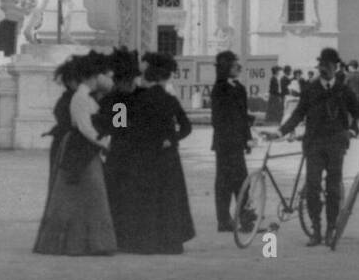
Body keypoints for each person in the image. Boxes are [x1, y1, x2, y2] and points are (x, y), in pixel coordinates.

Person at [34, 51, 117, 256]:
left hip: (85, 146)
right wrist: (106, 141)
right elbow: (85, 127)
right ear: (92, 75)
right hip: (81, 148)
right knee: (85, 194)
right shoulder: (80, 97)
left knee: (87, 195)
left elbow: (112, 119)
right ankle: (83, 243)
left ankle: (87, 242)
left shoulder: (90, 96)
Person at [277, 47, 359, 246]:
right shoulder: (311, 89)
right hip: (314, 145)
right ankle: (316, 230)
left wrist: (352, 131)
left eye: (329, 66)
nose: (324, 69)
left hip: (335, 146)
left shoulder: (343, 90)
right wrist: (281, 131)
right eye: (322, 65)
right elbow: (298, 114)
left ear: (336, 67)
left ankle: (331, 228)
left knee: (333, 189)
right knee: (313, 188)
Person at [122, 52, 196, 254]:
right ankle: (171, 242)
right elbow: (187, 127)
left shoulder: (136, 99)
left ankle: (146, 242)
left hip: (145, 155)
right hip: (168, 156)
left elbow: (125, 125)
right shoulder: (170, 99)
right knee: (170, 198)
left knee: (147, 198)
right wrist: (172, 140)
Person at [99, 46, 141, 250]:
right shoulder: (120, 101)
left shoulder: (117, 98)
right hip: (124, 154)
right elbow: (120, 127)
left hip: (121, 153)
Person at [211, 50, 253, 232]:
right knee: (225, 183)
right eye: (236, 65)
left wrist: (247, 139)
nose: (239, 68)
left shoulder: (240, 89)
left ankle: (242, 219)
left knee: (241, 181)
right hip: (225, 144)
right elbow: (218, 119)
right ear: (227, 68)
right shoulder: (219, 89)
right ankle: (226, 220)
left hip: (236, 144)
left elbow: (242, 117)